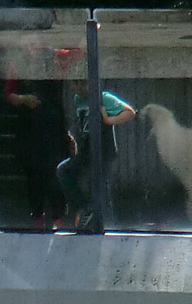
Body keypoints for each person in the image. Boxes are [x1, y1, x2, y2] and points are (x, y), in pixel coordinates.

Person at [4, 36, 69, 230]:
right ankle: (38, 218)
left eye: (34, 43)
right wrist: (23, 99)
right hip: (29, 127)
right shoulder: (17, 64)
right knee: (33, 174)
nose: (31, 47)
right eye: (27, 43)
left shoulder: (55, 57)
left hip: (53, 126)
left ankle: (58, 217)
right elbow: (9, 94)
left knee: (54, 172)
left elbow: (77, 53)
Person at [56, 71, 135, 230]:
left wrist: (108, 119)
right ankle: (85, 208)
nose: (78, 88)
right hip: (86, 149)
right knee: (64, 171)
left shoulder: (103, 98)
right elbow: (82, 123)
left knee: (99, 185)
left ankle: (106, 221)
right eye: (75, 84)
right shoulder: (78, 99)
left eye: (82, 84)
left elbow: (129, 112)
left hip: (102, 150)